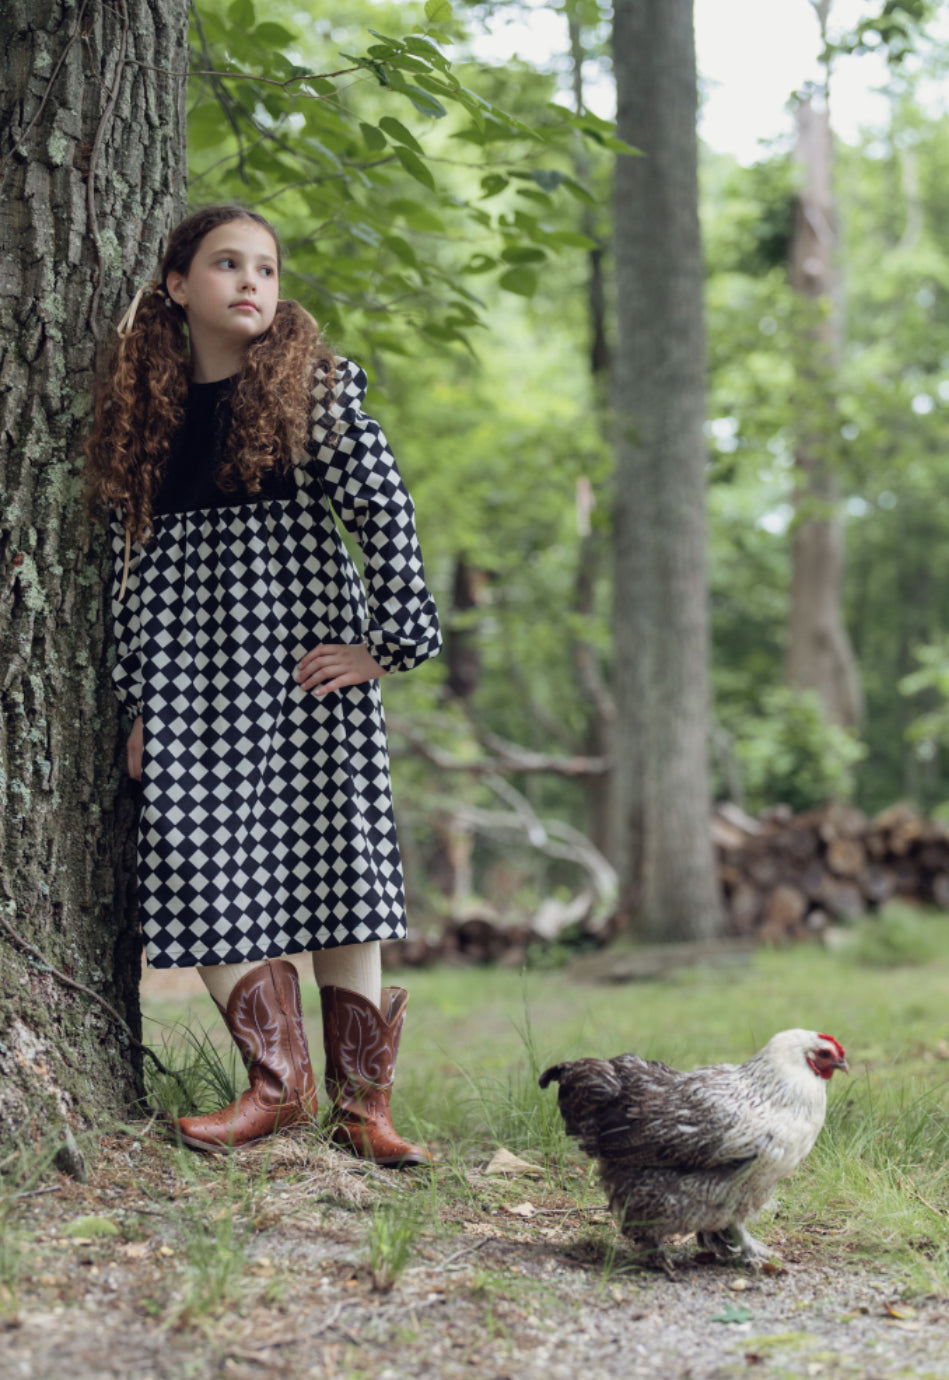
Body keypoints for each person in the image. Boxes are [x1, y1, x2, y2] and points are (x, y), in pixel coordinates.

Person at [84, 204, 441, 1163]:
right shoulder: (147, 413)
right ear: (175, 285)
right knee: (195, 864)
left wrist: (390, 644)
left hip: (303, 662)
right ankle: (279, 1084)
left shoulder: (309, 395)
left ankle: (363, 1111)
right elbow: (132, 573)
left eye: (268, 270)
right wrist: (138, 703)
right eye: (226, 264)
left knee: (340, 871)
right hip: (191, 676)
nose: (251, 283)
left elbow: (387, 514)